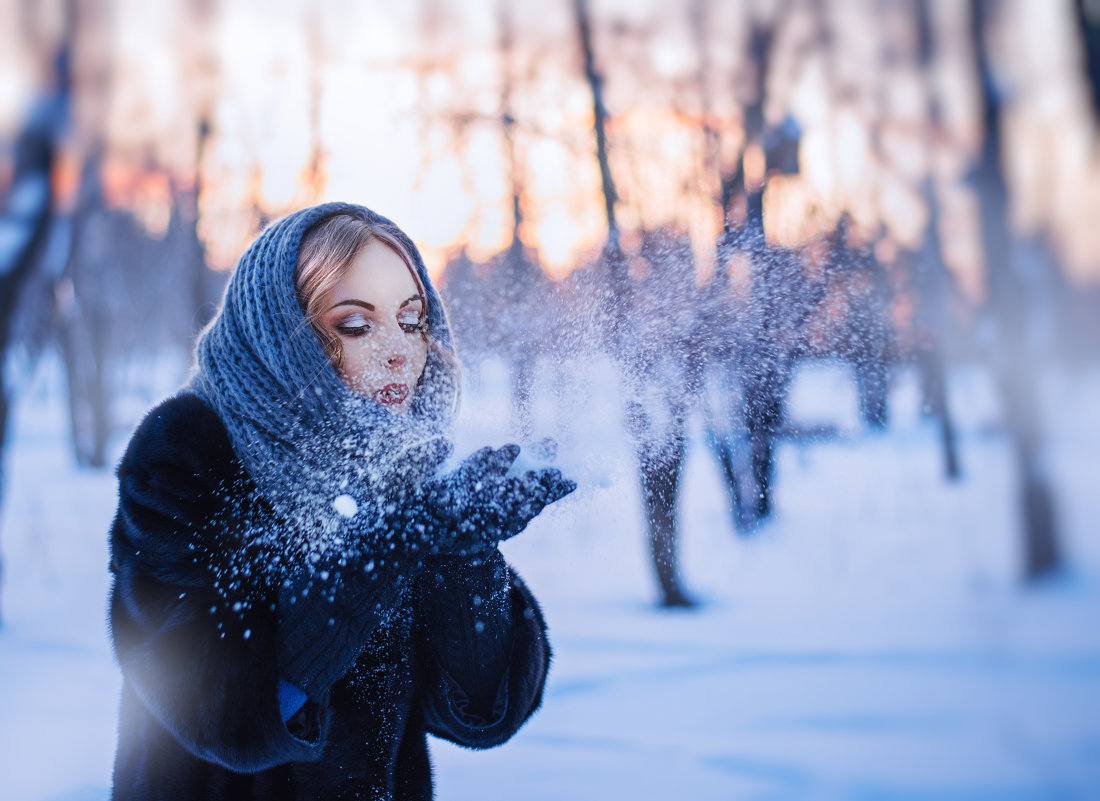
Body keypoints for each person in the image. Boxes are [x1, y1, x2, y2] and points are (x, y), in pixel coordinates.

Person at [107, 202, 575, 800]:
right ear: (284, 336)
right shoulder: (188, 457)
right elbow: (220, 713)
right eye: (357, 325)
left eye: (411, 321)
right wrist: (390, 546)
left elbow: (480, 713)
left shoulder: (403, 467)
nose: (400, 350)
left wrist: (466, 553)